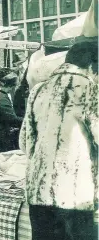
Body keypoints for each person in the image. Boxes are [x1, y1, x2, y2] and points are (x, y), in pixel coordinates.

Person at [19, 41, 98, 240]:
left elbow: (25, 142)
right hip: (74, 192)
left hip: (38, 191)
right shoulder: (89, 88)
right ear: (91, 65)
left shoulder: (38, 90)